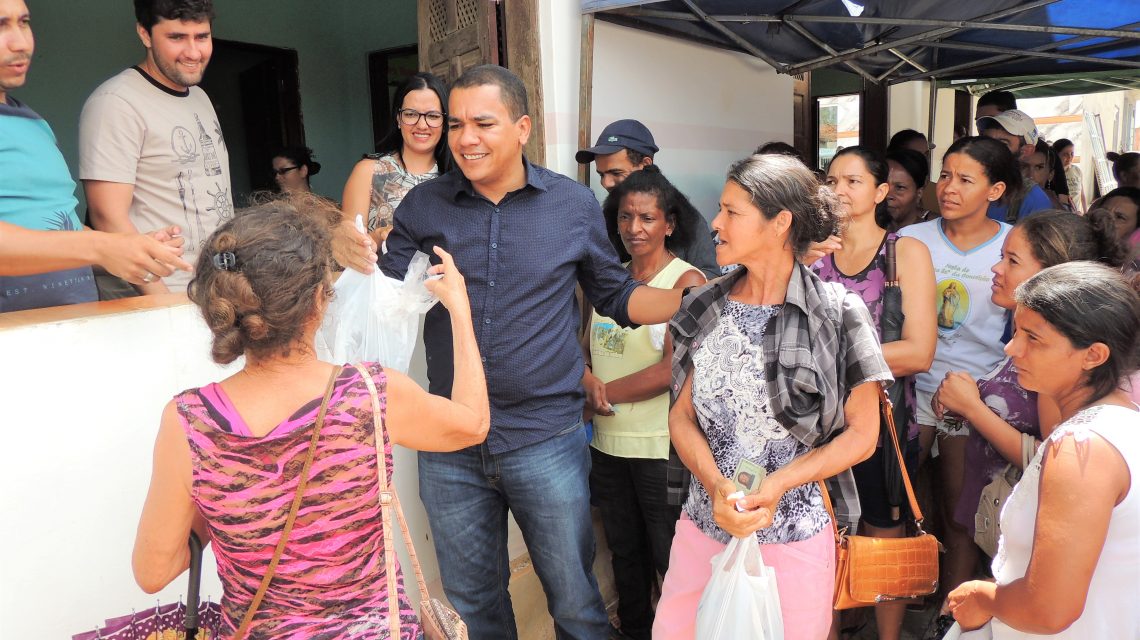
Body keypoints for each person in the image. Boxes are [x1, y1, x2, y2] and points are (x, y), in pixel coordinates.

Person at [380, 64, 687, 640]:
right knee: (473, 605)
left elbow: (614, 294)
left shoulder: (570, 206)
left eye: (483, 123)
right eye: (456, 124)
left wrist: (689, 300)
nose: (466, 138)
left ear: (521, 127)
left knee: (574, 600)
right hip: (449, 442)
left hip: (545, 436)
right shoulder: (423, 210)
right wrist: (346, 252)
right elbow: (383, 297)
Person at [131, 195, 491, 638]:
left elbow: (153, 572)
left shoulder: (189, 421)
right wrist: (460, 309)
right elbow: (472, 423)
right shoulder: (368, 394)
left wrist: (228, 495)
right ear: (320, 299)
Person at [653, 153, 892, 639]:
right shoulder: (702, 306)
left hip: (794, 539)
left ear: (780, 222)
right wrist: (719, 486)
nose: (716, 224)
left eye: (732, 212)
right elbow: (680, 418)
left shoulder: (838, 314)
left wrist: (780, 483)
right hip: (704, 526)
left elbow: (864, 435)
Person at [947, 262, 1140, 639]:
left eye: (1033, 338)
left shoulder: (1081, 447)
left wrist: (982, 596)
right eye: (1016, 330)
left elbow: (1049, 609)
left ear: (1094, 355)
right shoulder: (1125, 423)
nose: (1012, 348)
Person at [934, 210, 1126, 561]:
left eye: (1012, 260)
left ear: (1051, 274)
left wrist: (973, 409)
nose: (996, 269)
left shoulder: (1055, 360)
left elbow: (1048, 455)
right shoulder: (1031, 341)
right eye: (1000, 257)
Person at [0, 0, 191, 312]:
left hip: (74, 328)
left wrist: (131, 249)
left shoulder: (34, 123)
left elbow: (61, 226)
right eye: (0, 25)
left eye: (23, 22)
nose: (20, 42)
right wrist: (102, 246)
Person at [817, 146, 936, 640]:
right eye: (832, 180)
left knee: (884, 536)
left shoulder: (903, 252)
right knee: (824, 535)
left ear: (881, 192)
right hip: (818, 424)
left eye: (853, 181)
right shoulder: (813, 253)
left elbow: (919, 351)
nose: (839, 191)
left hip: (885, 421)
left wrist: (832, 362)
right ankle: (830, 626)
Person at [586, 166, 706, 640]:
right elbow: (582, 346)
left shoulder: (687, 280)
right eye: (625, 218)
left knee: (669, 555)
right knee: (624, 555)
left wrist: (602, 393)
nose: (634, 229)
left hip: (661, 447)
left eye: (648, 218)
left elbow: (673, 370)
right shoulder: (608, 281)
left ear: (670, 224)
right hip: (608, 444)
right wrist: (585, 380)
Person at [898, 136, 1016, 597]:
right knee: (901, 505)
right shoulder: (910, 239)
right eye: (945, 175)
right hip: (910, 385)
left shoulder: (1013, 245)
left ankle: (952, 611)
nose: (948, 187)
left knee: (959, 514)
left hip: (975, 393)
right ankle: (901, 594)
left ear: (995, 190)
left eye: (966, 179)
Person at [80, 0, 232, 296]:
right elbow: (107, 218)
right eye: (176, 38)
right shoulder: (116, 102)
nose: (193, 52)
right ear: (145, 34)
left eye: (202, 37)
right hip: (155, 295)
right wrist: (162, 302)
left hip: (210, 292)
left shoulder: (200, 97)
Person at [576, 119, 720, 279]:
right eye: (601, 174)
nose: (606, 183)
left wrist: (665, 292)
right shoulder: (605, 217)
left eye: (616, 173)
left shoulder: (687, 219)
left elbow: (710, 280)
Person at [339, 72, 451, 260]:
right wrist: (378, 237)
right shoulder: (369, 171)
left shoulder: (456, 177)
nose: (422, 125)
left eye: (432, 116)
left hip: (443, 286)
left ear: (445, 122)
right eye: (410, 114)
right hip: (382, 286)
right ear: (398, 119)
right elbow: (346, 250)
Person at [976, 110, 1052, 223]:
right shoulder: (968, 184)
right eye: (988, 139)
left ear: (1026, 151)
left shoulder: (1034, 200)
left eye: (1003, 143)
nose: (990, 147)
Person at [885, 148, 933, 231]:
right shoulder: (863, 233)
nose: (887, 195)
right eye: (883, 186)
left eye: (900, 188)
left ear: (919, 193)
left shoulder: (930, 236)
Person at [1020, 140, 1063, 209]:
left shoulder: (1054, 208)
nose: (1030, 175)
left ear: (1050, 174)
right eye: (1023, 166)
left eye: (1039, 167)